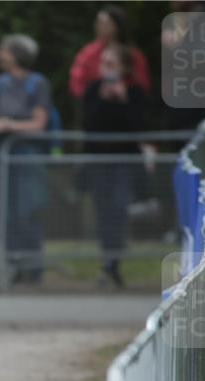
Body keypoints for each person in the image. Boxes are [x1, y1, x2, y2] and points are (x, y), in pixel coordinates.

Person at [0, 34, 52, 285]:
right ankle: (13, 266)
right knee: (7, 212)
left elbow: (39, 123)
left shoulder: (37, 83)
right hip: (2, 157)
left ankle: (33, 268)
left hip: (27, 157)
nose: (0, 54)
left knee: (27, 210)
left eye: (4, 49)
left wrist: (9, 125)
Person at [81, 44, 147, 289]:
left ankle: (114, 262)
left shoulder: (135, 92)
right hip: (99, 161)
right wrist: (102, 99)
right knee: (103, 212)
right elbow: (89, 124)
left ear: (124, 68)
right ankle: (106, 261)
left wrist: (123, 99)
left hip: (124, 162)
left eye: (111, 64)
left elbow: (135, 126)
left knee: (119, 209)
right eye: (103, 64)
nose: (105, 69)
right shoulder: (93, 90)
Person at [69, 5, 150, 101]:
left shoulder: (132, 54)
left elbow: (143, 83)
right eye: (98, 23)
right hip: (96, 105)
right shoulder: (88, 53)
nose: (99, 27)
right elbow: (77, 81)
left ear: (117, 26)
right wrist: (93, 96)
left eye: (105, 23)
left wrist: (126, 91)